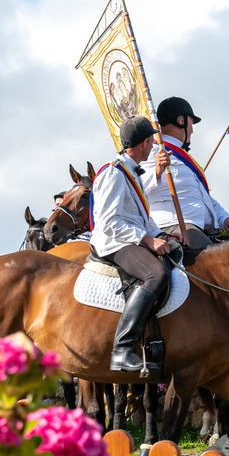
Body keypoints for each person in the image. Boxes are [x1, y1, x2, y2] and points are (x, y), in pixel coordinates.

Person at [90, 116, 175, 372]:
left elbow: (141, 218)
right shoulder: (115, 173)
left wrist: (165, 235)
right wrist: (147, 240)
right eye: (150, 142)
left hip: (128, 236)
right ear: (144, 142)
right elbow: (108, 223)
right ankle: (123, 348)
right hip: (114, 242)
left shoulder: (131, 172)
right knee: (156, 274)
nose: (152, 147)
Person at [141, 96, 229, 250]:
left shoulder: (185, 159)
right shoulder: (152, 151)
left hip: (200, 227)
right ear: (181, 121)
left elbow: (203, 197)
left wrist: (224, 217)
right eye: (191, 123)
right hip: (173, 226)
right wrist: (157, 172)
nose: (192, 130)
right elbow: (134, 187)